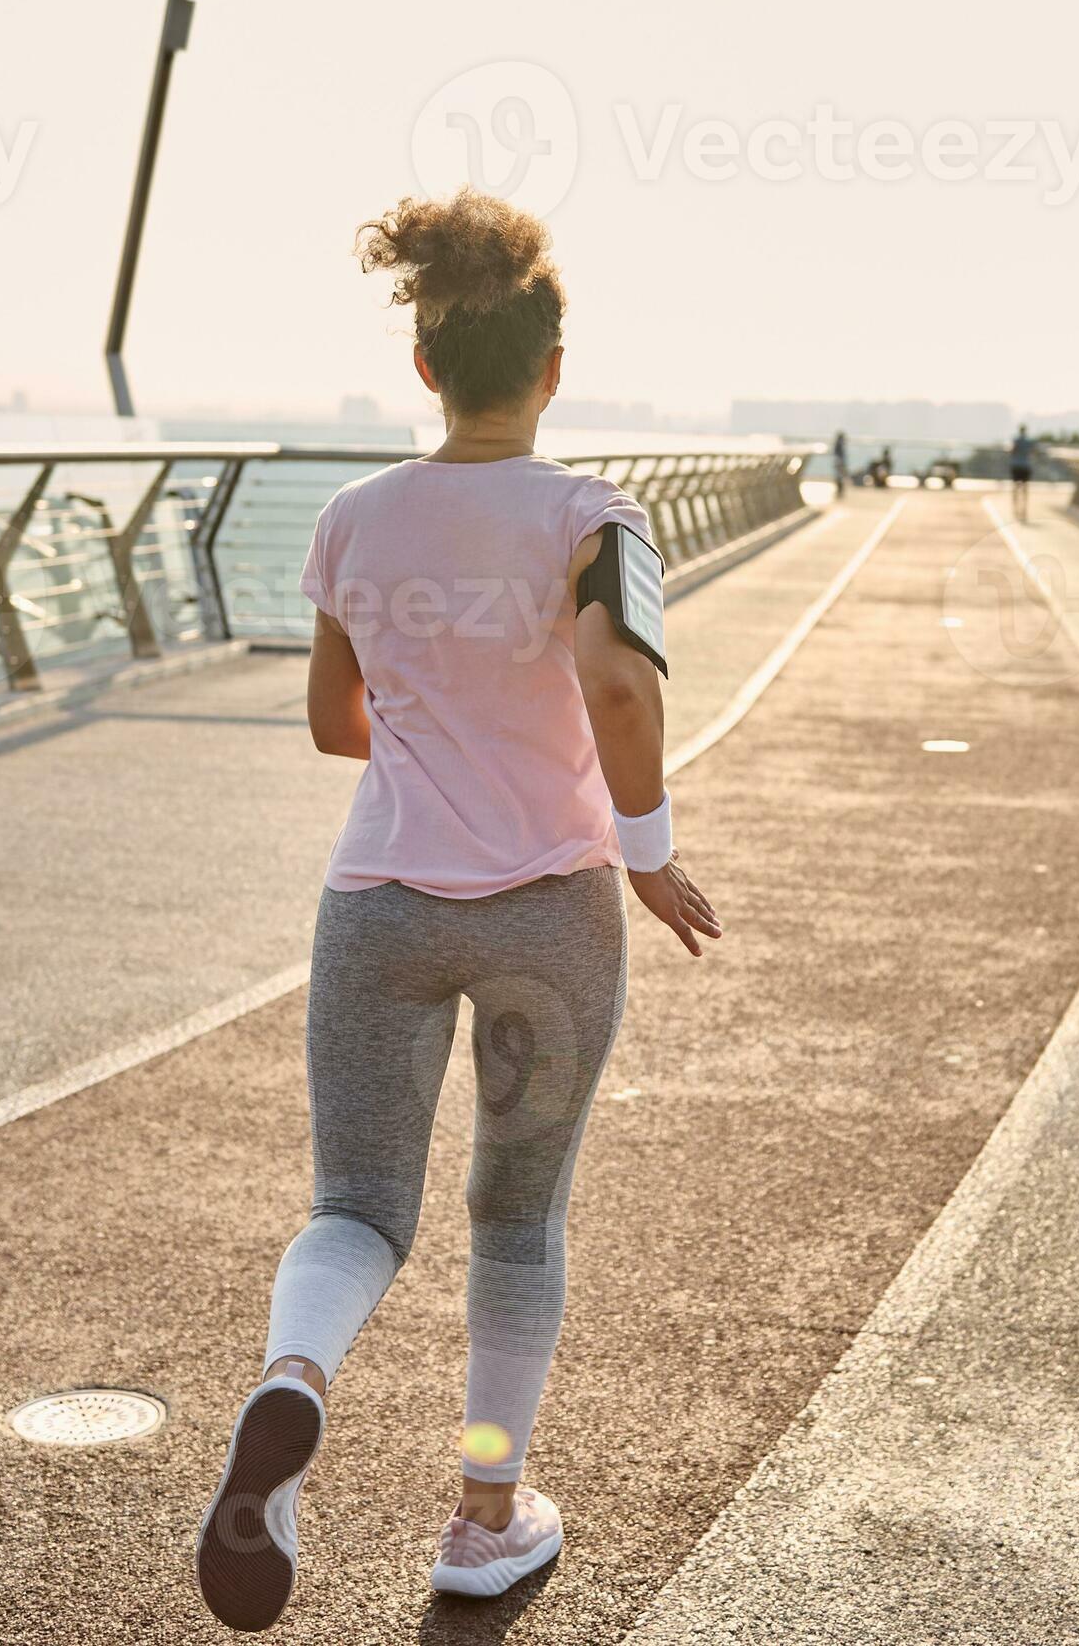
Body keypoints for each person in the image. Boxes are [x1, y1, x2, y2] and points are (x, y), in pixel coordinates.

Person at [194, 189, 725, 1632]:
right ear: (552, 368)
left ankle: (291, 1385)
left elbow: (330, 721)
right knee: (514, 1221)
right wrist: (645, 847)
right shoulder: (593, 515)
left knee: (357, 1207)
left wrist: (436, 731)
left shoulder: (357, 519)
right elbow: (618, 684)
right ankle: (485, 1515)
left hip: (378, 906)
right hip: (546, 914)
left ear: (422, 365)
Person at [1008, 424, 1037, 521]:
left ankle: (1015, 507)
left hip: (1016, 466)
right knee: (1025, 488)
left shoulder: (1016, 440)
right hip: (1026, 466)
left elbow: (1012, 451)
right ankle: (1024, 508)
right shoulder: (1029, 441)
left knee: (1015, 487)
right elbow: (1033, 452)